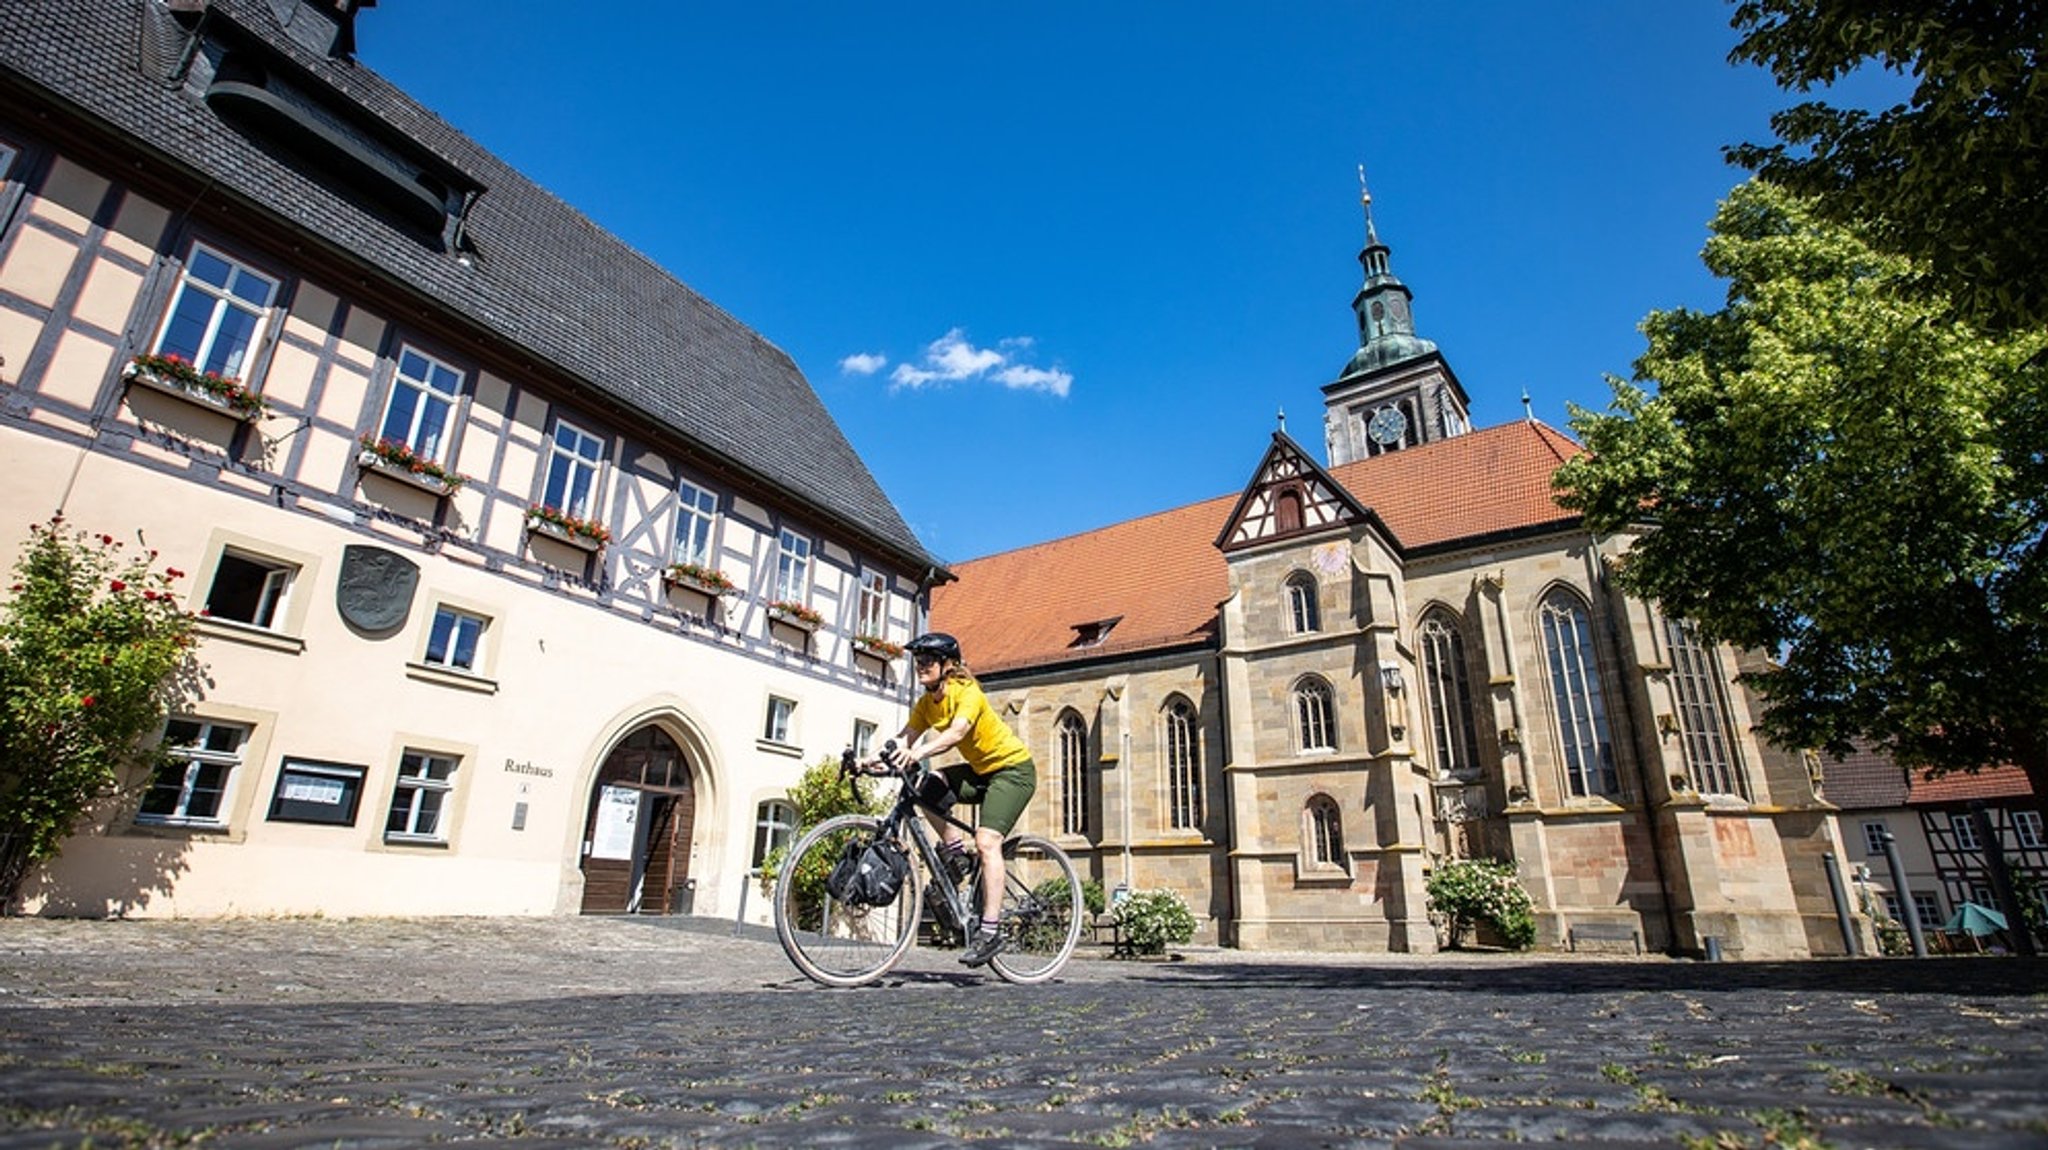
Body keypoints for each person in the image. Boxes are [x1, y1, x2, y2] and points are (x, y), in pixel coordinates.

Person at [871, 631, 1038, 967]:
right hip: (981, 772)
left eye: (928, 660)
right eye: (918, 661)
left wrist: (918, 752)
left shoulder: (967, 693)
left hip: (1013, 771)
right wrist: (867, 760)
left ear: (948, 665)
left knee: (988, 841)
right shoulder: (926, 705)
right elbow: (901, 739)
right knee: (928, 785)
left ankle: (989, 931)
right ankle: (956, 854)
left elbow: (957, 733)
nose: (921, 666)